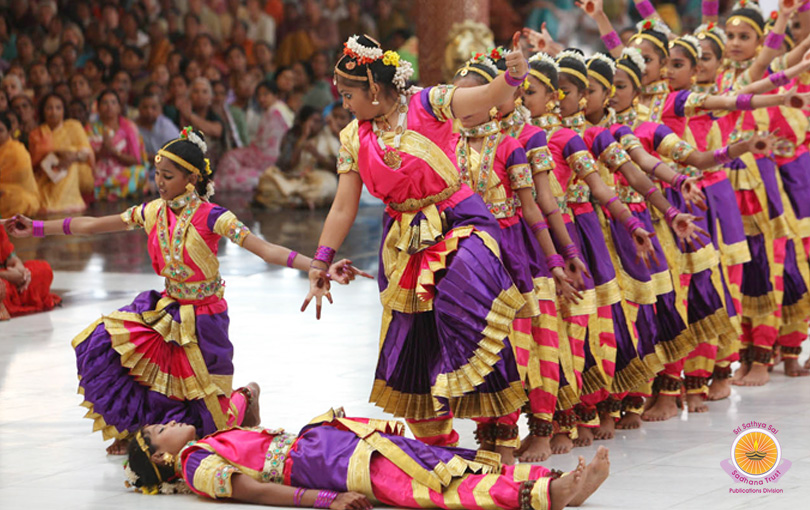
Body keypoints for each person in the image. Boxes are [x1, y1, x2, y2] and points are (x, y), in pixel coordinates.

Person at [1, 129, 365, 455]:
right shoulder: (152, 211)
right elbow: (93, 224)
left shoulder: (212, 216)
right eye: (156, 174)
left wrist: (319, 265)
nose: (158, 182)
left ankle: (247, 396)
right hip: (168, 310)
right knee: (110, 351)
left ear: (191, 178)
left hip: (206, 320)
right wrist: (33, 227)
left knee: (212, 428)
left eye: (167, 176)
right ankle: (139, 430)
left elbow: (265, 249)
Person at [305, 34, 537, 456]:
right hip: (402, 244)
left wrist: (513, 75)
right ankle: (438, 446)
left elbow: (488, 95)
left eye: (348, 94)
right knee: (412, 343)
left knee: (466, 314)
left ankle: (500, 436)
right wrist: (321, 262)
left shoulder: (428, 104)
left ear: (374, 88)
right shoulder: (353, 138)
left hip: (458, 222)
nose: (344, 104)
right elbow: (343, 207)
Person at [125, 407, 609, 510]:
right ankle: (542, 495)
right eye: (158, 432)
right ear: (161, 460)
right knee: (425, 485)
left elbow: (247, 399)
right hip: (322, 468)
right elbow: (253, 489)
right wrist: (324, 502)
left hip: (331, 443)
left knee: (442, 461)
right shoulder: (194, 464)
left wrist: (246, 398)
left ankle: (555, 477)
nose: (167, 423)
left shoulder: (208, 439)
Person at [253, 105, 337, 209]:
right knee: (266, 179)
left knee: (328, 185)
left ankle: (292, 200)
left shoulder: (327, 137)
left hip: (316, 179)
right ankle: (300, 201)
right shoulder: (292, 136)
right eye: (313, 121)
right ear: (303, 122)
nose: (317, 125)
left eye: (319, 121)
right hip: (292, 180)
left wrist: (316, 154)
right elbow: (287, 166)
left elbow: (335, 167)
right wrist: (302, 139)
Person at [217, 80, 293, 193]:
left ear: (275, 95)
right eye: (259, 96)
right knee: (231, 156)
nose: (262, 99)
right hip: (268, 154)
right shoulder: (280, 110)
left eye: (266, 94)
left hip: (268, 159)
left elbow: (267, 146)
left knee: (230, 158)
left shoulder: (275, 113)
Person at [28, 92, 94, 214]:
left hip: (78, 170)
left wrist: (71, 156)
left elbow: (87, 154)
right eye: (49, 108)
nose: (54, 112)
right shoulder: (37, 133)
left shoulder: (74, 126)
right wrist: (55, 155)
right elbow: (34, 163)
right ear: (43, 111)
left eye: (58, 108)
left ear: (64, 110)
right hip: (45, 175)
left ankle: (66, 203)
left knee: (71, 164)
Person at [87, 89, 148, 201]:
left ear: (119, 107)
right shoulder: (91, 129)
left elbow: (136, 160)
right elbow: (88, 160)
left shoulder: (129, 127)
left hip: (121, 173)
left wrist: (114, 152)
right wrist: (103, 151)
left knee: (140, 173)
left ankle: (109, 192)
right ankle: (115, 191)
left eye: (113, 102)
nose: (109, 106)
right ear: (98, 108)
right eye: (105, 103)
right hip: (98, 174)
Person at [0, 223, 60, 320]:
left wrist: (21, 271)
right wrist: (8, 276)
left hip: (8, 276)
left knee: (43, 269)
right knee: (2, 287)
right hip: (5, 279)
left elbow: (10, 256)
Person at [0, 111, 40, 218]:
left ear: (9, 132)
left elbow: (20, 180)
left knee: (17, 200)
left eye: (0, 130)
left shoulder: (17, 150)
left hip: (16, 198)